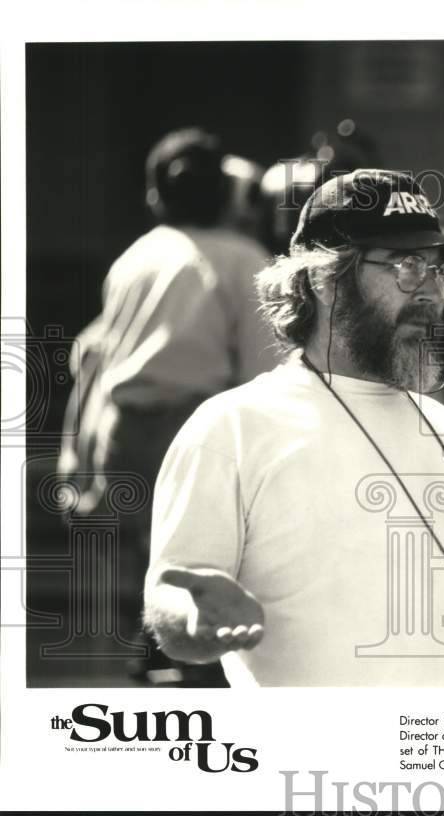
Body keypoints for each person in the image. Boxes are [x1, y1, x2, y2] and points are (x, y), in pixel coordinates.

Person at [143, 169, 444, 687]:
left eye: (437, 270)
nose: (430, 293)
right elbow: (172, 596)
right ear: (323, 280)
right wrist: (193, 621)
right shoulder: (232, 429)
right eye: (405, 266)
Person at [57, 127, 283, 677]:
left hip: (123, 430)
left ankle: (156, 653)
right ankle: (191, 664)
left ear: (155, 195)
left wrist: (77, 452)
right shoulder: (244, 258)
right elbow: (262, 368)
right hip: (195, 429)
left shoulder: (134, 258)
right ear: (227, 194)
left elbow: (95, 362)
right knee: (204, 555)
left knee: (148, 560)